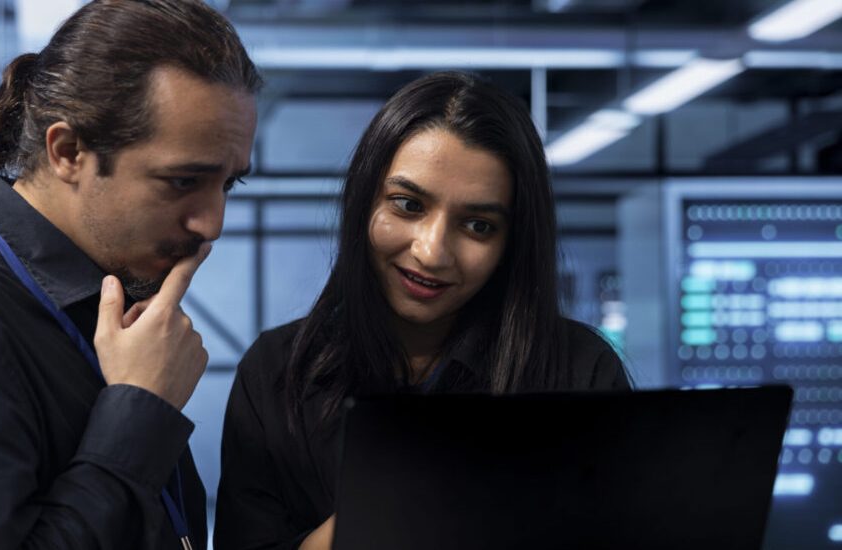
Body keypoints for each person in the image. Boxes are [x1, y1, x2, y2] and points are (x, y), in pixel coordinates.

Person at [0, 1, 261, 548]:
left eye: (229, 184)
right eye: (183, 181)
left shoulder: (99, 309)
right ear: (69, 151)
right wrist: (137, 414)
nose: (212, 223)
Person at [214, 71, 631, 550]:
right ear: (363, 200)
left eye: (478, 225)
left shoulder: (578, 370)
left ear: (512, 243)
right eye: (408, 205)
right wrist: (371, 517)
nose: (432, 252)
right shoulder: (277, 371)